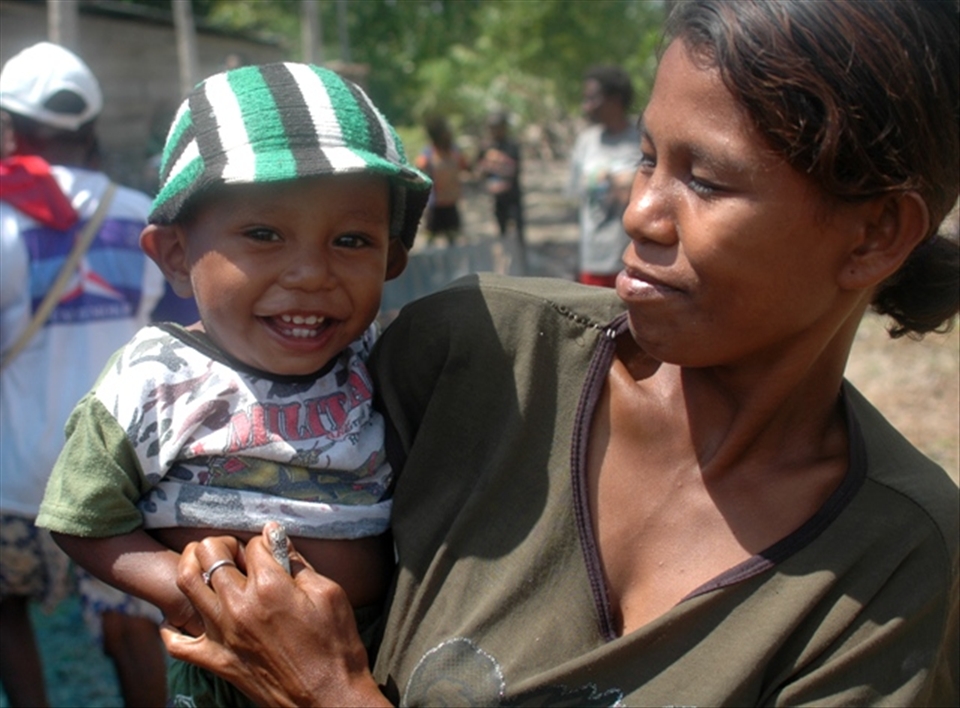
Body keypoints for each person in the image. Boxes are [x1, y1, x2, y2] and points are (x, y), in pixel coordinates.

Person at [162, 0, 958, 705]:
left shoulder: (891, 567)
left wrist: (327, 694)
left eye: (707, 181)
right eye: (648, 157)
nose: (640, 213)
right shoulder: (479, 360)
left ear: (877, 233)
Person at [36, 62, 432, 707]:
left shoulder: (382, 357)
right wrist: (198, 597)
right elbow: (82, 518)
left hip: (378, 655)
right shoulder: (153, 379)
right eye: (263, 234)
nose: (310, 272)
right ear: (175, 256)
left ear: (391, 261)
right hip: (229, 668)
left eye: (352, 239)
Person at [0, 42, 169, 707]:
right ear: (92, 129)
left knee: (6, 608)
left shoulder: (5, 221)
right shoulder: (142, 217)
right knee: (132, 622)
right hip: (113, 474)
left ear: (10, 128)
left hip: (13, 480)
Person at [569, 65, 642, 288]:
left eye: (592, 99)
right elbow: (576, 197)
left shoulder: (642, 139)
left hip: (634, 259)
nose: (586, 106)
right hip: (594, 259)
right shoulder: (586, 142)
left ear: (615, 99)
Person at [415, 115, 470, 244]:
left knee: (453, 238)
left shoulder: (454, 150)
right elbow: (419, 168)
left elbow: (466, 166)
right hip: (436, 204)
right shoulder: (428, 153)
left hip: (451, 202)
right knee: (430, 239)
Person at [476, 111, 525, 249]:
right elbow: (479, 169)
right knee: (501, 228)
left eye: (497, 127)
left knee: (518, 226)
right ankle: (506, 255)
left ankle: (521, 254)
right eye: (491, 127)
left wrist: (499, 164)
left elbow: (515, 169)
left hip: (513, 194)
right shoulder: (485, 147)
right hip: (497, 196)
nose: (494, 131)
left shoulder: (512, 146)